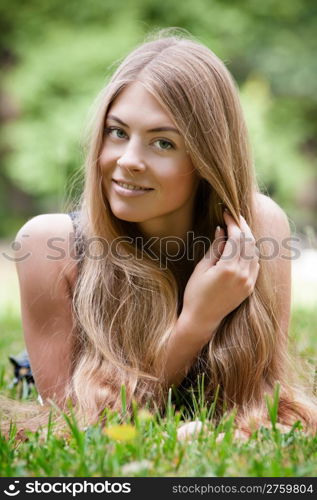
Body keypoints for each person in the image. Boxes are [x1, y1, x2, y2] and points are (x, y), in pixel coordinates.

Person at [9, 28, 317, 435]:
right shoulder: (49, 246)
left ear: (208, 158)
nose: (128, 161)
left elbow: (263, 399)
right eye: (118, 132)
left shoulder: (259, 229)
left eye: (163, 143)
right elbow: (76, 431)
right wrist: (198, 319)